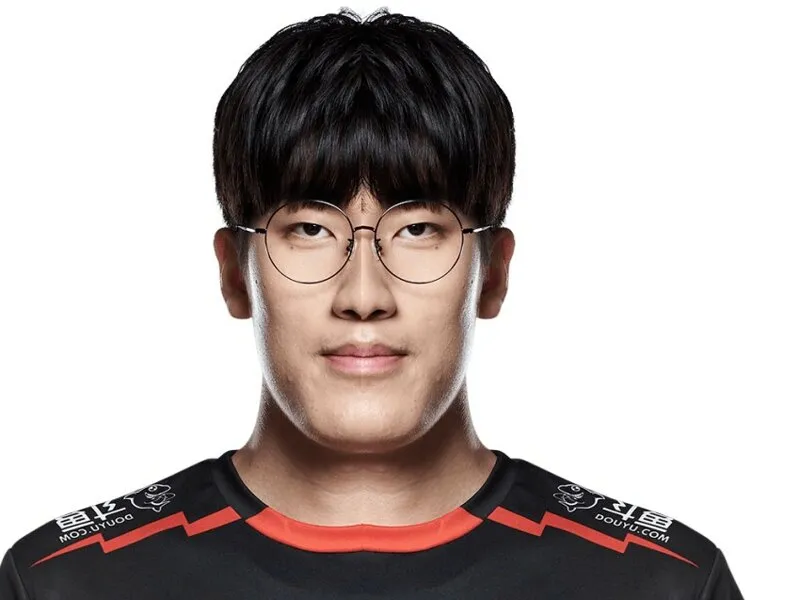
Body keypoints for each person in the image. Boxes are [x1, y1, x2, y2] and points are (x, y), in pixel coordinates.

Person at [0, 8, 743, 599]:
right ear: (235, 273)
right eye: (309, 230)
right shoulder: (66, 582)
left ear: (492, 272)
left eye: (418, 229)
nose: (363, 295)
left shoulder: (661, 582)